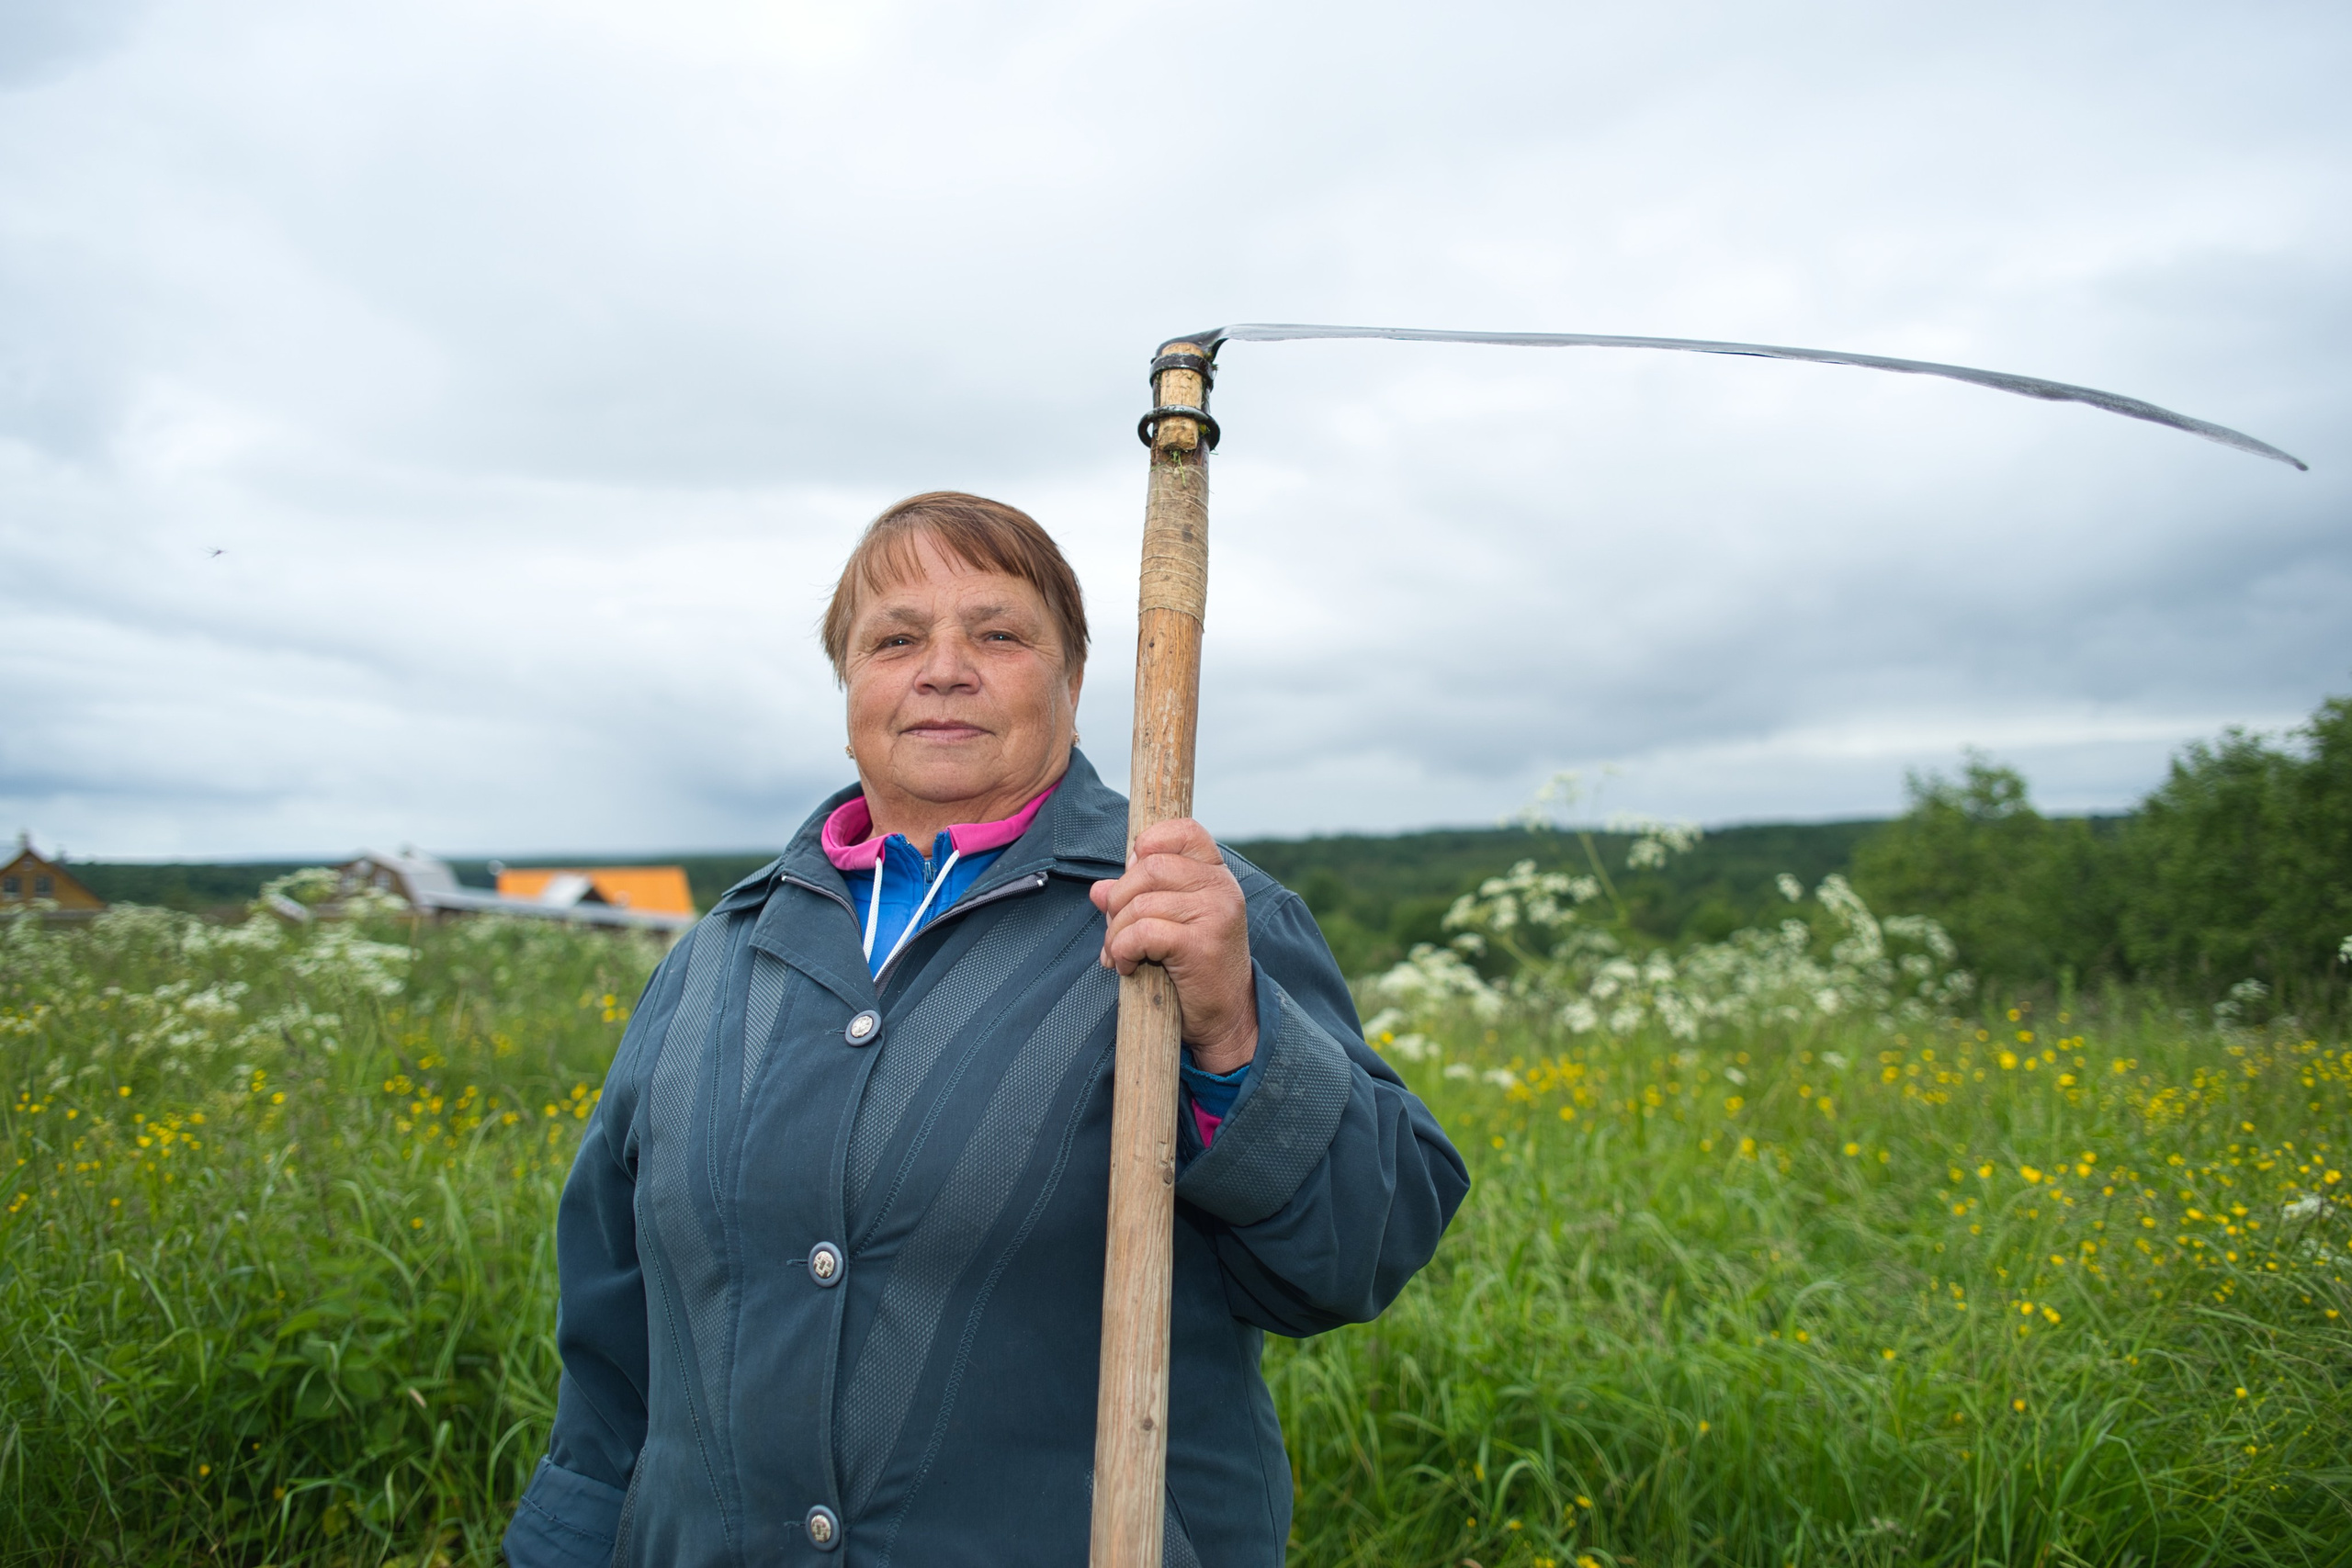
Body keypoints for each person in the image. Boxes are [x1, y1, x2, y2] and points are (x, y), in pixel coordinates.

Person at [503, 492, 1468, 1568]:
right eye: (896, 638)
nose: (944, 667)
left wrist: (1235, 1029)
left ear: (1073, 680)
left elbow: (1363, 1250)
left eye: (998, 633)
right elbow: (614, 1333)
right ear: (850, 686)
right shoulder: (718, 956)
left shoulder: (1191, 915)